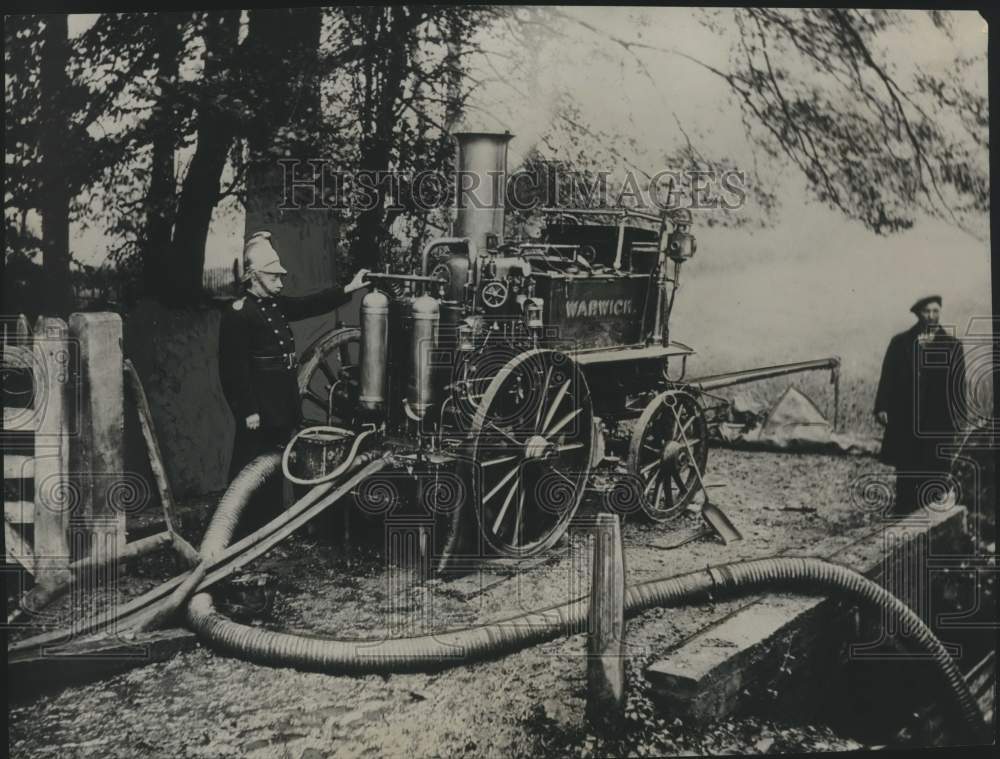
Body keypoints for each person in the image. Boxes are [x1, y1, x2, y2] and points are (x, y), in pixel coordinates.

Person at [218, 231, 371, 533]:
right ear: (254, 277)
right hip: (259, 408)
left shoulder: (275, 305)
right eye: (273, 276)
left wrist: (349, 288)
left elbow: (308, 304)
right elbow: (233, 370)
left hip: (281, 403)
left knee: (274, 470)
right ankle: (239, 536)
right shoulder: (239, 314)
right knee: (248, 470)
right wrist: (248, 410)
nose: (280, 280)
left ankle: (268, 533)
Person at [874, 295, 967, 515]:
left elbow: (958, 385)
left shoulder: (953, 346)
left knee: (936, 471)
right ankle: (904, 515)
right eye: (927, 311)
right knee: (907, 469)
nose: (932, 316)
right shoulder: (901, 343)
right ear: (917, 313)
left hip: (938, 420)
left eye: (936, 311)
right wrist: (881, 406)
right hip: (906, 418)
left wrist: (958, 418)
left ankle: (935, 521)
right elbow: (887, 377)